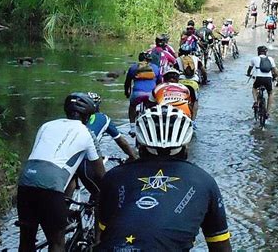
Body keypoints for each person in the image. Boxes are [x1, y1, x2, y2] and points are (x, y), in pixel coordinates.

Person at [96, 104, 232, 251]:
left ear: (140, 144)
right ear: (185, 145)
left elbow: (102, 235)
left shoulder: (113, 177)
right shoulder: (204, 182)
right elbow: (220, 245)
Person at [17, 93, 105, 251]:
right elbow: (100, 173)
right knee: (57, 241)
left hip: (26, 179)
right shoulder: (87, 133)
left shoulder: (46, 125)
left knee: (26, 240)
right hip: (51, 183)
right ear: (88, 116)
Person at [124, 52, 161, 136]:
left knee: (132, 106)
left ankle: (133, 129)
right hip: (151, 94)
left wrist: (127, 92)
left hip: (137, 94)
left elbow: (127, 82)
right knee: (154, 108)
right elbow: (160, 83)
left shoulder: (133, 68)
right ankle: (155, 126)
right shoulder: (155, 68)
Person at [174, 45, 207, 124]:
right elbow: (203, 71)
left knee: (178, 99)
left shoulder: (177, 60)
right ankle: (192, 121)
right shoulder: (196, 59)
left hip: (181, 82)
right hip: (193, 83)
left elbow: (174, 72)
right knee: (195, 101)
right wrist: (205, 80)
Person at [246, 46, 278, 117]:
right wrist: (275, 77)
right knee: (270, 93)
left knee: (254, 88)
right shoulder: (270, 59)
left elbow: (249, 69)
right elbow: (275, 71)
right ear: (266, 52)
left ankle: (255, 102)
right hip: (268, 79)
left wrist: (248, 74)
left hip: (258, 78)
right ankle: (268, 112)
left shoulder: (254, 59)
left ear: (258, 52)